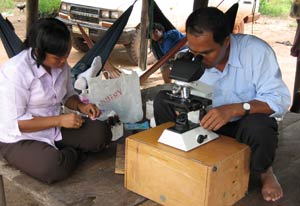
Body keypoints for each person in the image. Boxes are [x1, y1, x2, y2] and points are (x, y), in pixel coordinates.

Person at [153, 7, 290, 202]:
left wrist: (237, 108)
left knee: (261, 127)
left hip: (242, 125)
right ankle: (177, 159)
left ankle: (264, 172)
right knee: (162, 100)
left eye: (206, 52)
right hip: (208, 122)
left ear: (226, 41)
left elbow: (279, 101)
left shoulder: (256, 53)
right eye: (194, 51)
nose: (198, 58)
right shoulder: (194, 56)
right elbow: (179, 88)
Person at [0, 18, 112, 184]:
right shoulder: (16, 71)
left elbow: (68, 96)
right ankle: (70, 154)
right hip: (19, 138)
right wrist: (60, 120)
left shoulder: (61, 66)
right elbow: (17, 123)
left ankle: (64, 154)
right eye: (58, 58)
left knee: (100, 134)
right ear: (38, 52)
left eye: (66, 56)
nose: (64, 62)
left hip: (56, 127)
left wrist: (82, 106)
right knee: (52, 166)